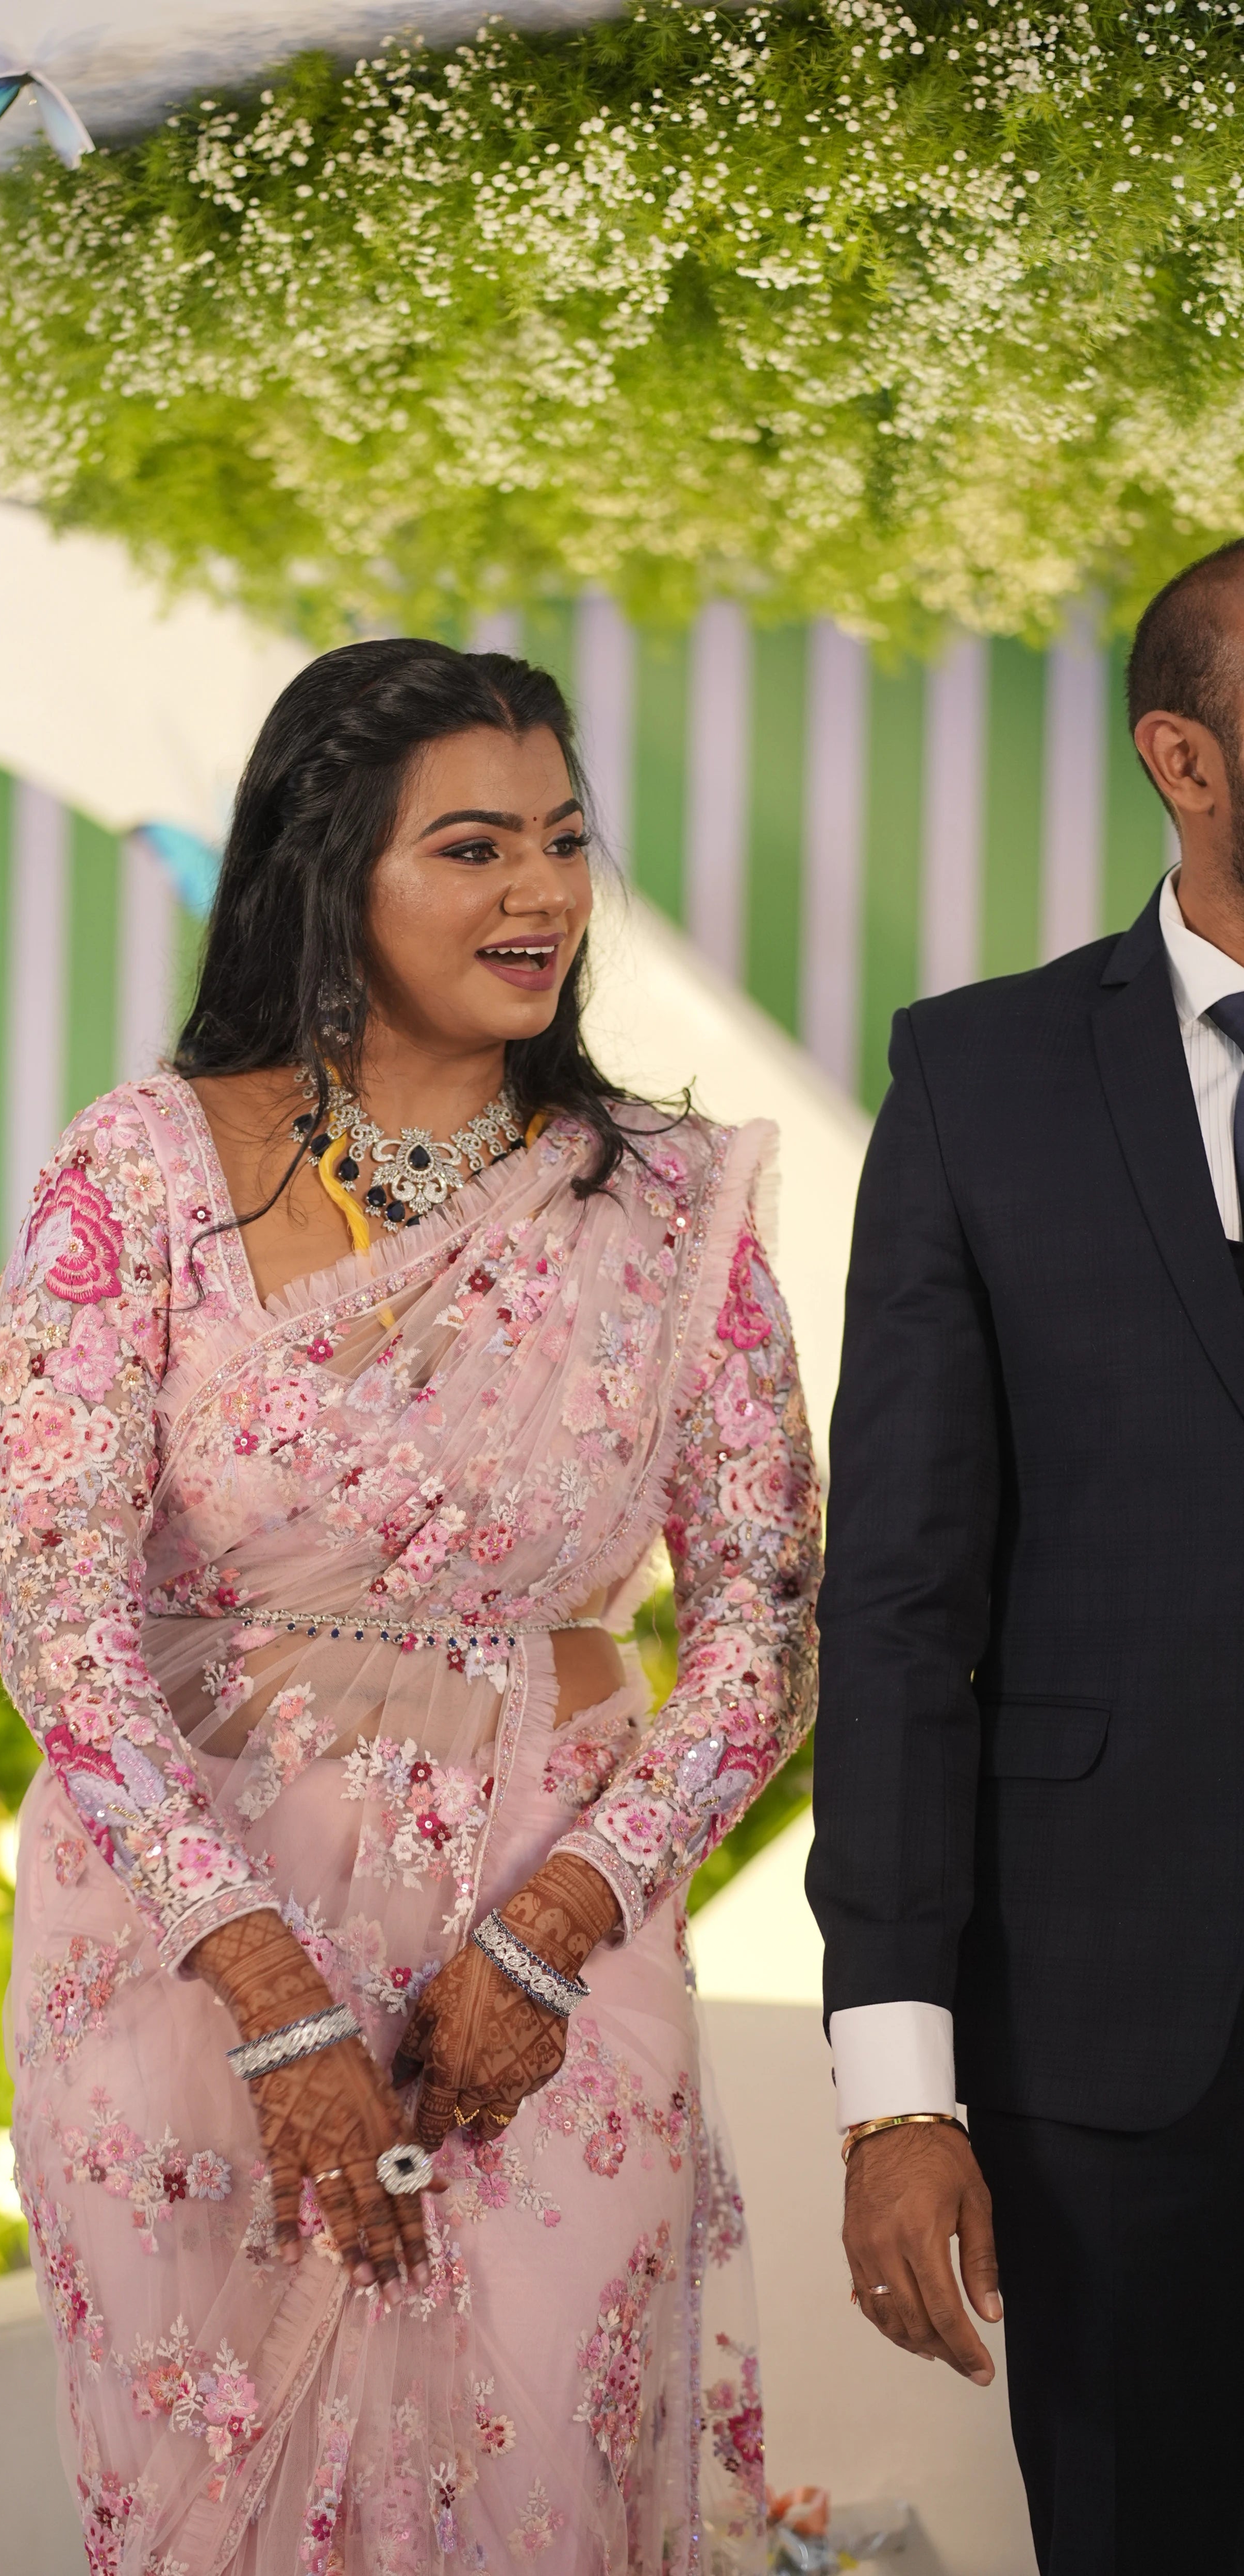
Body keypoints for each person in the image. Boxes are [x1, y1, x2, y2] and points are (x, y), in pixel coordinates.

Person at [0, 636, 820, 2576]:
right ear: (326, 869)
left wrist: (557, 1927)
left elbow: (769, 1629)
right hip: (187, 1961)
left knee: (549, 2495)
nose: (541, 891)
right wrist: (267, 1993)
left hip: (552, 1953)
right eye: (473, 847)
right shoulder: (141, 1173)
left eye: (563, 840)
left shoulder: (667, 1208)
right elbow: (63, 1627)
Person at [809, 539, 1244, 2573]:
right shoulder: (978, 1079)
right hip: (1113, 2043)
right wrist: (898, 2088)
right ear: (1186, 757)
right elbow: (899, 1607)